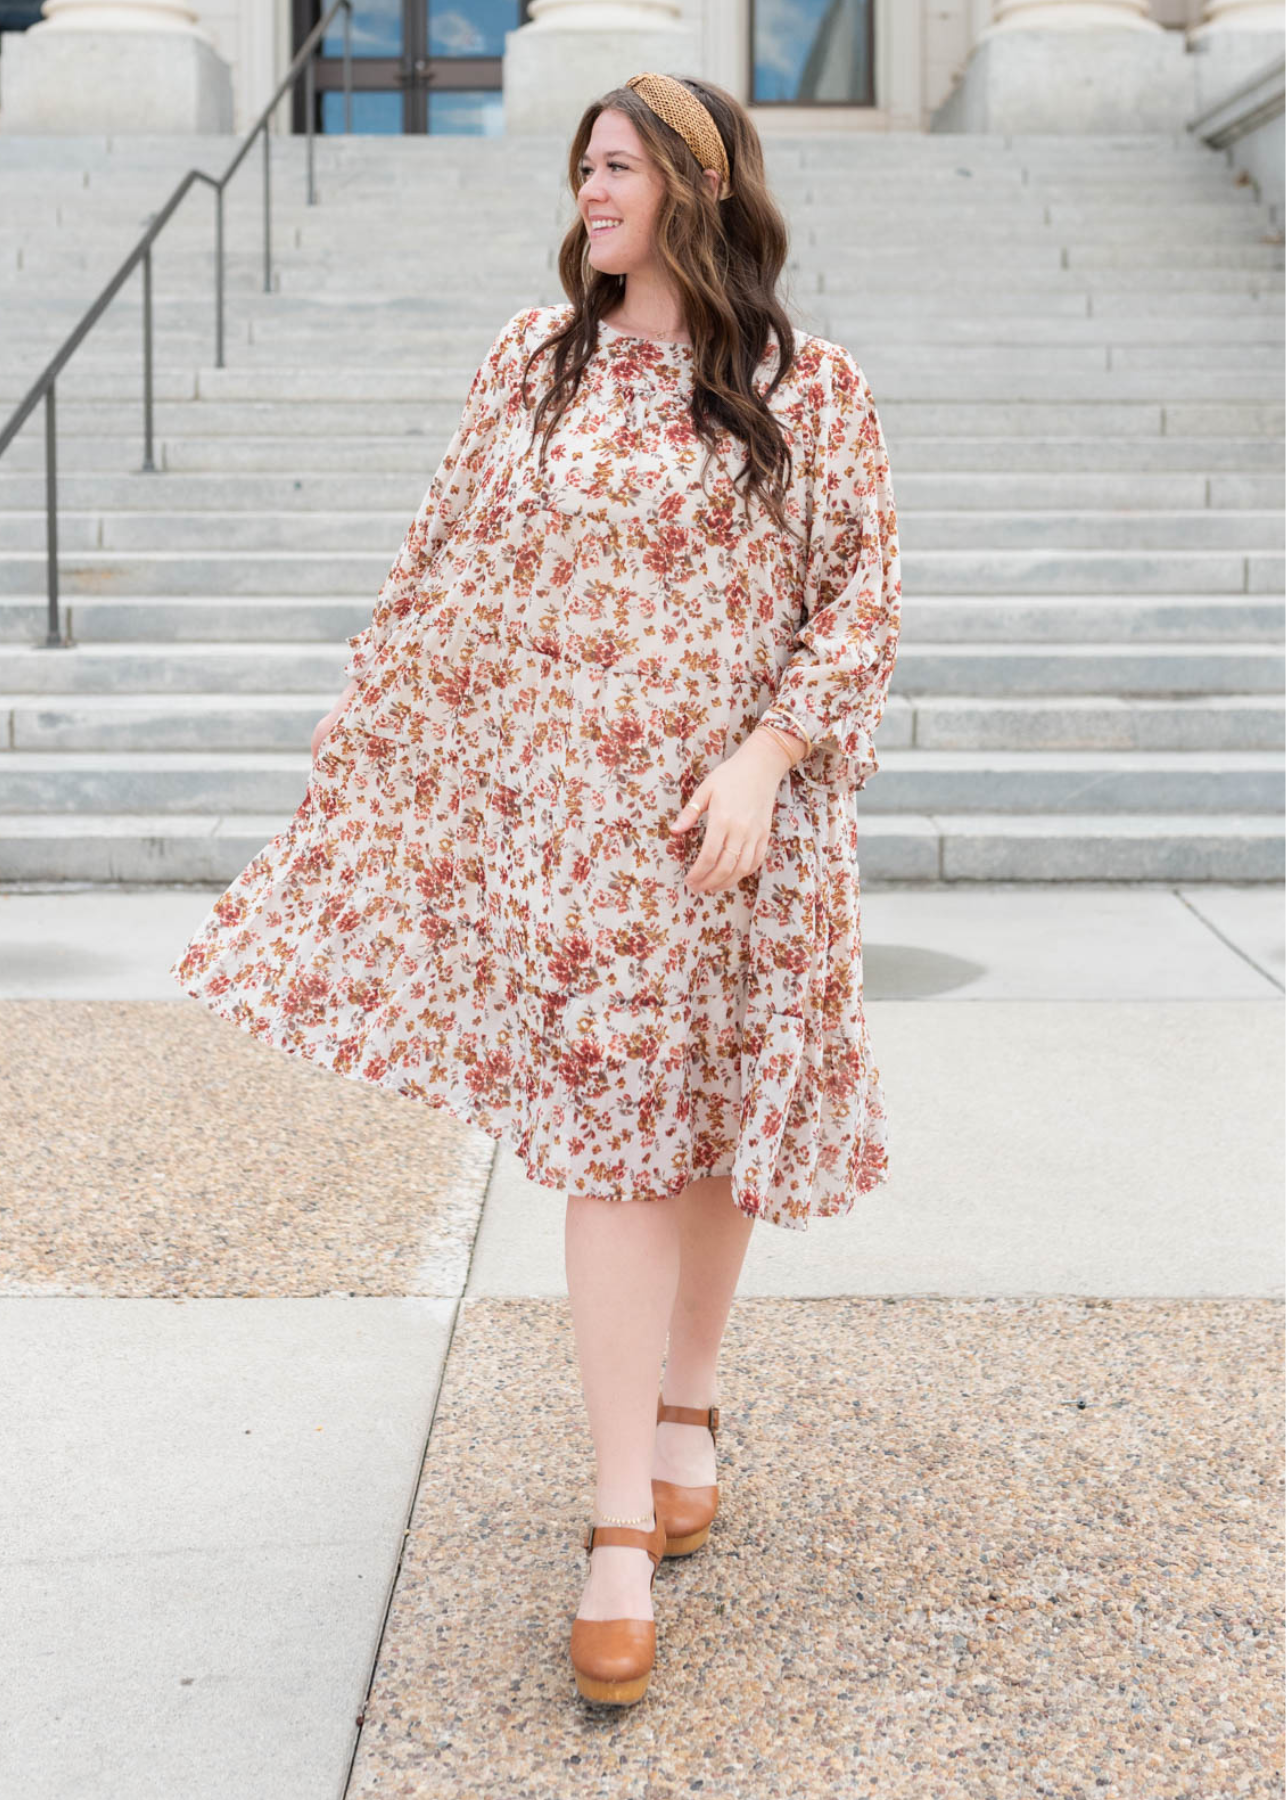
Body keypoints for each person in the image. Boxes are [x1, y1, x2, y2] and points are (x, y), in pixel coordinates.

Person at [169, 71, 901, 1709]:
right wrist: (388, 728)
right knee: (609, 1143)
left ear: (697, 190)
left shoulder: (809, 385)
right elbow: (442, 558)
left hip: (729, 829)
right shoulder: (531, 361)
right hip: (576, 838)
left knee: (712, 1119)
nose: (592, 191)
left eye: (622, 167)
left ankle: (687, 1403)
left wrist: (769, 758)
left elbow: (858, 599)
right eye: (584, 167)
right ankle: (616, 1528)